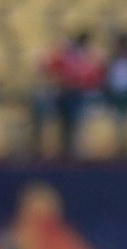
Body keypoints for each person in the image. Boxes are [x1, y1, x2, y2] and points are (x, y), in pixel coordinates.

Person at [35, 30, 107, 158]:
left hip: (79, 96)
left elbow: (92, 79)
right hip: (63, 95)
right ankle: (60, 149)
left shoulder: (87, 58)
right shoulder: (65, 57)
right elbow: (47, 69)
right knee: (61, 120)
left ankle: (73, 149)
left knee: (75, 120)